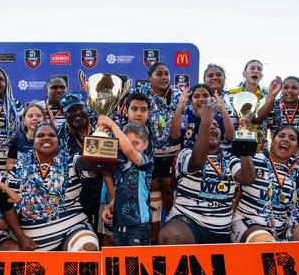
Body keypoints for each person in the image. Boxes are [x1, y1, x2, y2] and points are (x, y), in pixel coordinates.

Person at [160, 103, 255, 244]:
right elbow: (197, 163)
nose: (212, 127)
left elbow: (247, 178)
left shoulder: (229, 159)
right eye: (209, 125)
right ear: (198, 134)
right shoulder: (185, 154)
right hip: (188, 220)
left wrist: (244, 140)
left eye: (216, 126)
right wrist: (206, 119)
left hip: (220, 228)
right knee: (171, 236)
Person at [0, 122, 99, 251]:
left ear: (58, 141)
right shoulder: (18, 169)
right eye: (41, 135)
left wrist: (99, 138)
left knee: (87, 247)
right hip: (35, 245)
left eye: (51, 135)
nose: (46, 138)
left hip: (74, 230)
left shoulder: (71, 161)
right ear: (33, 142)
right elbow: (8, 206)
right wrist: (20, 236)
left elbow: (93, 167)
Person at [232, 126, 299, 243]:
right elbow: (239, 182)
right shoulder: (253, 159)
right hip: (247, 222)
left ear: (296, 148)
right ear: (272, 141)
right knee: (265, 243)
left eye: (292, 138)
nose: (286, 140)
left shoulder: (297, 171)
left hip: (278, 230)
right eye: (281, 136)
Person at [98, 118, 153, 246]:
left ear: (145, 145)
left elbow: (129, 151)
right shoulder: (120, 166)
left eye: (135, 143)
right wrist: (109, 208)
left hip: (138, 225)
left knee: (135, 263)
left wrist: (111, 125)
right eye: (127, 142)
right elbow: (120, 192)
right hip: (119, 224)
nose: (130, 146)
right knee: (120, 262)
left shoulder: (145, 161)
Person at [139, 62, 182, 218]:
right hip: (150, 154)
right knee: (153, 192)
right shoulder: (141, 95)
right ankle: (155, 234)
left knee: (169, 190)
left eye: (167, 73)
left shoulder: (177, 96)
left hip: (172, 153)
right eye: (159, 74)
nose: (164, 77)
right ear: (150, 78)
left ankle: (172, 221)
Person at [58, 92, 102, 231]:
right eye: (70, 111)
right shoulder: (60, 134)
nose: (76, 113)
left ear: (86, 107)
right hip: (80, 189)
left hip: (105, 183)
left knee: (105, 229)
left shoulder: (101, 124)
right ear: (64, 115)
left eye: (79, 108)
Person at [169, 83, 234, 149]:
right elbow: (174, 137)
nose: (201, 99)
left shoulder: (218, 119)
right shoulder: (185, 119)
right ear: (191, 102)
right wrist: (180, 107)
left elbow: (230, 138)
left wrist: (222, 109)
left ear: (212, 99)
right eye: (197, 96)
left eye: (205, 96)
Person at [261, 76, 299, 154]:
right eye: (285, 87)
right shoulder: (271, 107)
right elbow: (262, 132)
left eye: (294, 88)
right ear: (281, 90)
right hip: (276, 157)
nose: (289, 90)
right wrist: (265, 153)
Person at [6, 101, 45, 171]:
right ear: (24, 120)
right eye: (30, 116)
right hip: (21, 180)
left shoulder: (50, 140)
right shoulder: (17, 139)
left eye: (38, 116)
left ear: (44, 119)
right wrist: (24, 170)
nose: (35, 118)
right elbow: (9, 166)